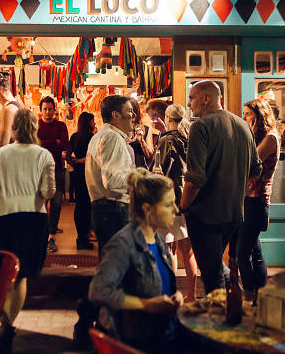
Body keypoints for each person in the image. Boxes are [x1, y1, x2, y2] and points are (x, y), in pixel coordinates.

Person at [0, 109, 56, 346]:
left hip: (5, 218)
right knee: (21, 276)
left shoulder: (0, 155)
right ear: (35, 128)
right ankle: (9, 326)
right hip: (34, 219)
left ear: (13, 128)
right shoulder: (44, 156)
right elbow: (48, 192)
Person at [178, 80, 261, 292]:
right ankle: (236, 304)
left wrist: (183, 207)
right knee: (216, 266)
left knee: (212, 278)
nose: (189, 104)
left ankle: (220, 320)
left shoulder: (201, 126)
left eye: (191, 98)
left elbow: (195, 179)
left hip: (206, 215)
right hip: (234, 214)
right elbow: (255, 170)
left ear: (206, 98)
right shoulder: (243, 125)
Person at [89, 169, 183, 353]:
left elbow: (160, 287)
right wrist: (147, 305)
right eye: (169, 205)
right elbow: (98, 291)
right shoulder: (123, 244)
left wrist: (174, 297)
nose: (176, 210)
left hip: (165, 333)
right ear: (147, 208)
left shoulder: (159, 241)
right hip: (139, 341)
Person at [154, 104, 199, 301]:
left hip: (171, 197)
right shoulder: (190, 137)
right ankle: (192, 293)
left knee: (170, 247)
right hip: (190, 197)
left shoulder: (167, 140)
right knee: (188, 249)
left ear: (168, 118)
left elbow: (160, 169)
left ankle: (171, 293)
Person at [238, 98, 280, 301]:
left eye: (247, 114)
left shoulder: (271, 138)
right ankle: (260, 297)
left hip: (257, 201)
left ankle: (249, 294)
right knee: (255, 251)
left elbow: (250, 162)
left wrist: (249, 134)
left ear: (259, 116)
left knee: (241, 252)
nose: (244, 117)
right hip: (249, 199)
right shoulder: (259, 137)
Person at [85, 94, 135, 256]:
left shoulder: (101, 136)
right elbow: (112, 181)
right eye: (129, 111)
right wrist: (141, 180)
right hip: (114, 208)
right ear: (115, 114)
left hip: (106, 208)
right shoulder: (112, 137)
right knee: (118, 267)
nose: (133, 115)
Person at [37, 96, 69, 251]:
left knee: (56, 203)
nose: (48, 112)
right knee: (39, 203)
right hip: (38, 170)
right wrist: (53, 142)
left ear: (54, 110)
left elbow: (64, 144)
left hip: (57, 169)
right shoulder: (36, 125)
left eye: (50, 109)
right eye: (45, 109)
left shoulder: (61, 126)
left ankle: (51, 236)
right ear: (40, 110)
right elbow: (35, 144)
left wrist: (45, 143)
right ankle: (41, 233)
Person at [67, 112, 96, 250]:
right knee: (87, 207)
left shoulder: (74, 136)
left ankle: (80, 237)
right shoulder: (93, 138)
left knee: (79, 206)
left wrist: (75, 161)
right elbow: (93, 157)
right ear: (88, 122)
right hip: (88, 174)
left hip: (76, 174)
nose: (95, 123)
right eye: (93, 121)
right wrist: (82, 161)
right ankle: (84, 238)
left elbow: (67, 155)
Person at [128, 98, 151, 170]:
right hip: (124, 172)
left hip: (141, 172)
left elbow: (150, 156)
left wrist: (142, 141)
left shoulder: (145, 129)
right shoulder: (119, 131)